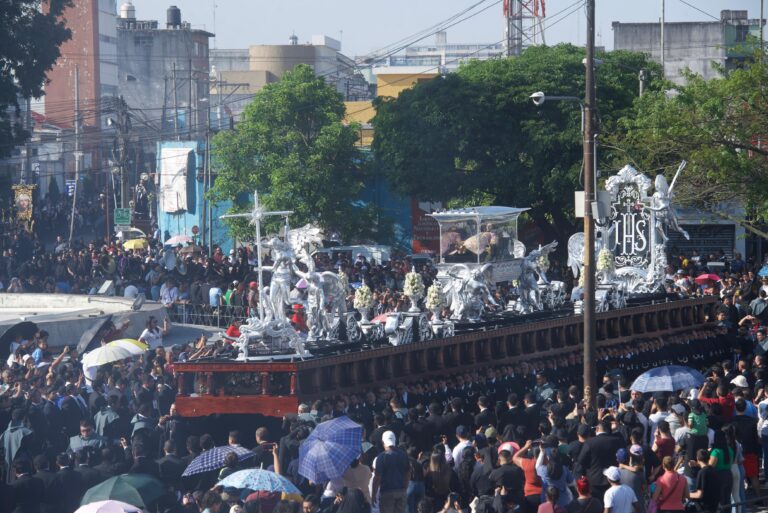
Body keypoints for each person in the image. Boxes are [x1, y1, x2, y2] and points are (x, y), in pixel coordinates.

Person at [372, 431, 410, 513]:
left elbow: (377, 477)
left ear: (383, 442)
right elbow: (408, 473)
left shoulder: (381, 457)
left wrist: (374, 494)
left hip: (387, 493)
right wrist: (405, 488)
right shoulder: (403, 454)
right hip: (401, 491)